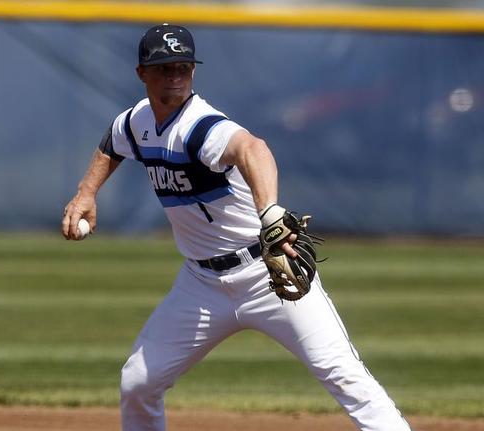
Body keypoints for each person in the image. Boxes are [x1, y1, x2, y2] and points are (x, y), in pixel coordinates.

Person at [61, 24, 411, 431]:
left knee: (343, 373)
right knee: (138, 381)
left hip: (265, 272)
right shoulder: (137, 120)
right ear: (142, 73)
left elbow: (252, 148)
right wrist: (86, 193)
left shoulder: (200, 126)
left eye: (183, 66)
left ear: (193, 71)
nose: (175, 74)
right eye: (164, 67)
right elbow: (114, 141)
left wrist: (270, 212)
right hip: (200, 285)